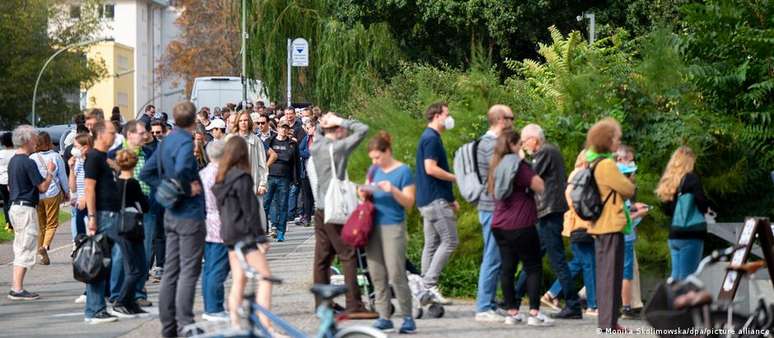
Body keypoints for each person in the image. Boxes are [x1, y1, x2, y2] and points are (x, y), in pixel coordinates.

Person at [140, 101, 207, 337]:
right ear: (194, 120)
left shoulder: (165, 142)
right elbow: (181, 170)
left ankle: (169, 325)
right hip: (188, 214)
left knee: (170, 271)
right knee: (188, 270)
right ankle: (185, 323)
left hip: (170, 213)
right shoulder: (185, 143)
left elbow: (146, 172)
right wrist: (185, 189)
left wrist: (164, 189)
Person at [310, 112, 375, 318]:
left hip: (319, 208)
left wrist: (324, 124)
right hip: (335, 208)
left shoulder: (316, 146)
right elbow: (362, 129)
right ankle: (354, 304)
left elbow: (319, 133)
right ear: (338, 130)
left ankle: (322, 304)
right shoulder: (339, 148)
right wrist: (340, 120)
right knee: (347, 254)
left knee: (322, 258)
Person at [514, 124, 582, 319]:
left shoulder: (545, 152)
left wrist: (520, 160)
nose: (524, 144)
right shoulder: (548, 151)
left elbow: (530, 176)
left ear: (534, 139)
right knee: (533, 256)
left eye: (525, 140)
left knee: (557, 259)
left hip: (548, 212)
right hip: (547, 211)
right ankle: (516, 297)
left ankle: (573, 305)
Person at [487, 131, 552, 326]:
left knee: (507, 268)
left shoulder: (495, 165)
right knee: (533, 266)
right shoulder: (518, 166)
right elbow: (540, 186)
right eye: (520, 143)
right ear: (514, 144)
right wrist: (526, 164)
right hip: (521, 223)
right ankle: (534, 313)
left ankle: (512, 312)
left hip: (499, 224)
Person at [211, 137, 275, 331]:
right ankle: (265, 324)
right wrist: (261, 238)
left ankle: (235, 323)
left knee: (238, 280)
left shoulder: (221, 178)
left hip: (228, 234)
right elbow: (251, 211)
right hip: (244, 234)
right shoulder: (242, 177)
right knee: (265, 277)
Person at [359, 132, 417, 334]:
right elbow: (366, 194)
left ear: (387, 152)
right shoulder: (374, 170)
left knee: (396, 271)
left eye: (378, 157)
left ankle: (408, 316)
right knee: (376, 272)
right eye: (372, 158)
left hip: (393, 225)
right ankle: (384, 316)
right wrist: (364, 192)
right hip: (372, 225)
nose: (375, 161)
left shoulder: (403, 171)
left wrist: (392, 189)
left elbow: (409, 203)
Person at [584, 118, 635, 331]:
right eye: (617, 137)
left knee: (607, 273)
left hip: (601, 224)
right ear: (607, 139)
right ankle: (608, 322)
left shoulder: (594, 161)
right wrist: (629, 178)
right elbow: (628, 189)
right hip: (610, 224)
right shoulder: (606, 164)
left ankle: (609, 321)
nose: (619, 141)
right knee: (610, 275)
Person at [107, 121, 156, 308]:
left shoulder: (149, 154)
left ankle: (137, 293)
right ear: (129, 135)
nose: (145, 135)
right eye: (141, 133)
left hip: (146, 209)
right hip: (122, 213)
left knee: (144, 252)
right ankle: (117, 293)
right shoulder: (114, 156)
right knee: (120, 254)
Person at [545, 150, 598, 316]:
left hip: (577, 224)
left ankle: (552, 293)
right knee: (589, 264)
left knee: (578, 263)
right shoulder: (580, 175)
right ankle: (592, 305)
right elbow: (571, 197)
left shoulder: (577, 174)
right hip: (581, 224)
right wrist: (584, 213)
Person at [474, 105, 514, 322]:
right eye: (511, 118)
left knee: (497, 256)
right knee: (492, 256)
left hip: (491, 206)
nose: (513, 122)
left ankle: (488, 302)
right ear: (501, 120)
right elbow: (499, 175)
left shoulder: (487, 143)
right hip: (491, 206)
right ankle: (483, 307)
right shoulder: (489, 145)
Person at [415, 102, 458, 304]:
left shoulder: (429, 137)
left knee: (431, 244)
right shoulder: (431, 139)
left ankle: (425, 289)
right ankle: (428, 285)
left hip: (429, 199)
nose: (449, 119)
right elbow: (431, 169)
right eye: (447, 114)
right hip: (434, 200)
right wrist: (455, 178)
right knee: (450, 240)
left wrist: (451, 199)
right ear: (437, 116)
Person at [7, 125, 56, 301]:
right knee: (26, 247)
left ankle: (16, 286)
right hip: (26, 207)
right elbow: (42, 186)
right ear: (27, 140)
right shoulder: (28, 162)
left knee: (20, 246)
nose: (36, 142)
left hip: (15, 206)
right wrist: (50, 172)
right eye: (34, 138)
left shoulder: (14, 160)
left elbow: (10, 186)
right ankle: (17, 288)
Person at [83, 120, 121, 323]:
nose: (115, 136)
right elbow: (89, 188)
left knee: (107, 263)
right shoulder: (94, 157)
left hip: (110, 214)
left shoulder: (103, 158)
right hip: (102, 215)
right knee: (99, 262)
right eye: (112, 133)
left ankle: (99, 306)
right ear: (100, 134)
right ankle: (94, 309)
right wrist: (91, 217)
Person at [655, 146, 708, 281]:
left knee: (676, 277)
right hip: (690, 235)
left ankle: (672, 302)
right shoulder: (692, 179)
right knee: (687, 279)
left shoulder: (670, 182)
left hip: (674, 235)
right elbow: (702, 204)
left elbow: (667, 210)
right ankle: (684, 303)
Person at [110, 149, 150, 317]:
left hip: (120, 227)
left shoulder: (115, 183)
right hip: (131, 228)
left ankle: (131, 301)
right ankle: (122, 300)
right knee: (136, 269)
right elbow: (145, 205)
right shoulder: (132, 183)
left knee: (136, 266)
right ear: (134, 164)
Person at [199, 140, 230, 322]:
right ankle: (214, 307)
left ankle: (210, 305)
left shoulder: (202, 173)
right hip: (221, 223)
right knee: (218, 268)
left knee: (210, 267)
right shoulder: (221, 174)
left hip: (207, 221)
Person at [31, 131, 69, 266]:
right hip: (52, 192)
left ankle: (41, 254)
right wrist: (66, 191)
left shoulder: (33, 157)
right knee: (52, 223)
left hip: (38, 194)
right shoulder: (56, 157)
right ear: (49, 143)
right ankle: (45, 247)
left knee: (41, 224)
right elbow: (63, 176)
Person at [264, 120, 297, 241]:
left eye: (286, 128)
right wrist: (278, 156)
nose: (284, 130)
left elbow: (289, 158)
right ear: (277, 128)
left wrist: (276, 155)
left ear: (288, 130)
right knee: (265, 204)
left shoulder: (291, 143)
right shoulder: (270, 141)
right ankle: (264, 229)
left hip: (284, 178)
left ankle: (280, 232)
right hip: (270, 176)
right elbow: (265, 156)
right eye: (282, 127)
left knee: (283, 206)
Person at [230, 111, 273, 203]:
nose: (243, 123)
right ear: (237, 122)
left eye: (245, 120)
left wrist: (262, 184)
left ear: (249, 122)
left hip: (253, 183)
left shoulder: (256, 140)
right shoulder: (231, 140)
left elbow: (262, 164)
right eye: (241, 120)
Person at [1, 132, 15, 230]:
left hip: (2, 180)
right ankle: (13, 222)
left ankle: (8, 222)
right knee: (13, 202)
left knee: (6, 202)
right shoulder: (16, 152)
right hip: (13, 180)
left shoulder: (0, 153)